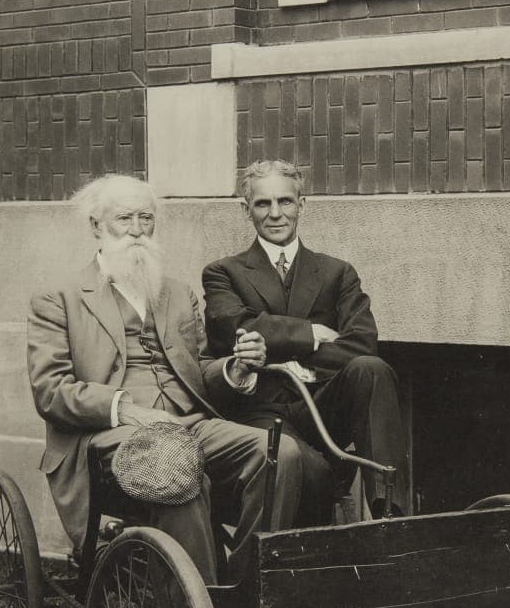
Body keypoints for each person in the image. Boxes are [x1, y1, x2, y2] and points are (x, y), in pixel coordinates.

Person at [26, 172, 304, 584]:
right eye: (124, 219)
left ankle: (246, 592)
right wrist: (126, 411)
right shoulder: (59, 299)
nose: (138, 231)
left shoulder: (177, 293)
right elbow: (50, 390)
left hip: (188, 424)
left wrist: (235, 368)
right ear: (96, 226)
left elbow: (200, 369)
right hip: (109, 436)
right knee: (172, 465)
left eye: (146, 218)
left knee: (279, 454)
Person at [202, 159, 406, 519]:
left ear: (302, 204)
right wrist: (311, 335)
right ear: (245, 209)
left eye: (286, 202)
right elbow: (234, 327)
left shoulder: (336, 272)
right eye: (263, 204)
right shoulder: (223, 273)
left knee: (371, 370)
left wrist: (279, 351)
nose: (276, 214)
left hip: (322, 405)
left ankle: (389, 513)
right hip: (261, 412)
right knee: (314, 472)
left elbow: (362, 343)